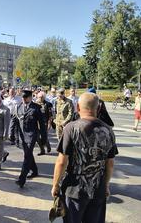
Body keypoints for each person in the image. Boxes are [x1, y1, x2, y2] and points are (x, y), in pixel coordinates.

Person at [51, 92, 118, 223]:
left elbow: (61, 161)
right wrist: (106, 185)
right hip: (98, 188)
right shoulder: (108, 130)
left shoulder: (71, 128)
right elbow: (110, 163)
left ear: (77, 107)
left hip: (74, 190)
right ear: (98, 108)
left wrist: (55, 185)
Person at [12, 90, 47, 188]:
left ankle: (21, 179)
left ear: (31, 97)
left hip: (32, 135)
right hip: (22, 136)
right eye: (23, 97)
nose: (24, 99)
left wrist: (44, 138)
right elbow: (14, 121)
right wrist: (12, 135)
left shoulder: (36, 108)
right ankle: (35, 171)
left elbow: (42, 125)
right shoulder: (18, 107)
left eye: (26, 97)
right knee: (28, 154)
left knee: (27, 156)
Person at [35, 91, 52, 155]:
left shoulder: (48, 104)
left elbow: (50, 116)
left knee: (44, 137)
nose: (40, 98)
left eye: (41, 97)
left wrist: (49, 124)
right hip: (36, 123)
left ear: (44, 97)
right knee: (36, 137)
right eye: (39, 97)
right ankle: (42, 150)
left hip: (44, 123)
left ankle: (47, 145)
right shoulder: (35, 104)